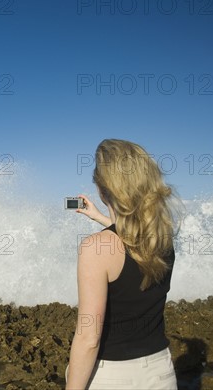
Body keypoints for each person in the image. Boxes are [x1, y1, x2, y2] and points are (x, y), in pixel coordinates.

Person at [65, 139, 180, 390]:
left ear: (102, 190)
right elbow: (131, 244)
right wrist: (100, 217)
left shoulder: (95, 248)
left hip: (112, 378)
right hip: (161, 372)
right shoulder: (162, 239)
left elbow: (89, 338)